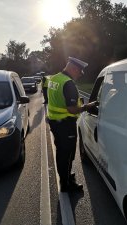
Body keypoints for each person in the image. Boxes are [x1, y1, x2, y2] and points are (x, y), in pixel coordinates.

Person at [47, 56, 97, 192]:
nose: (81, 75)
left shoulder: (55, 78)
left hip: (55, 122)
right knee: (67, 154)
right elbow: (72, 109)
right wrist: (87, 106)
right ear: (74, 68)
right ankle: (66, 184)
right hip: (66, 125)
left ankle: (65, 176)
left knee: (61, 153)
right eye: (80, 71)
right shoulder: (68, 83)